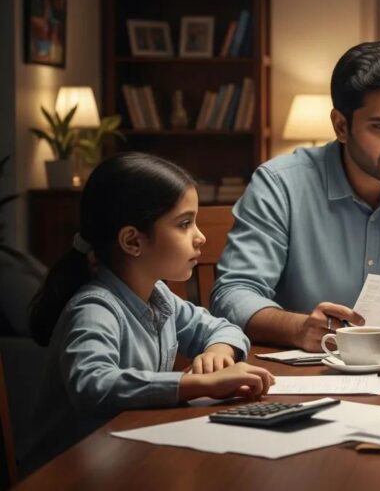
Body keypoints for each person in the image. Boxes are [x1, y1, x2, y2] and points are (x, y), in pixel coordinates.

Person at [210, 41, 380, 351]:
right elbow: (233, 294)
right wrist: (298, 329)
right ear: (341, 126)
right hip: (306, 372)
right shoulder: (280, 185)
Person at [24, 153, 274, 472]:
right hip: (68, 474)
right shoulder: (94, 308)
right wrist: (199, 384)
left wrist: (219, 353)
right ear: (132, 241)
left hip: (125, 457)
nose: (200, 237)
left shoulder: (159, 297)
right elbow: (93, 384)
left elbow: (223, 328)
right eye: (184, 224)